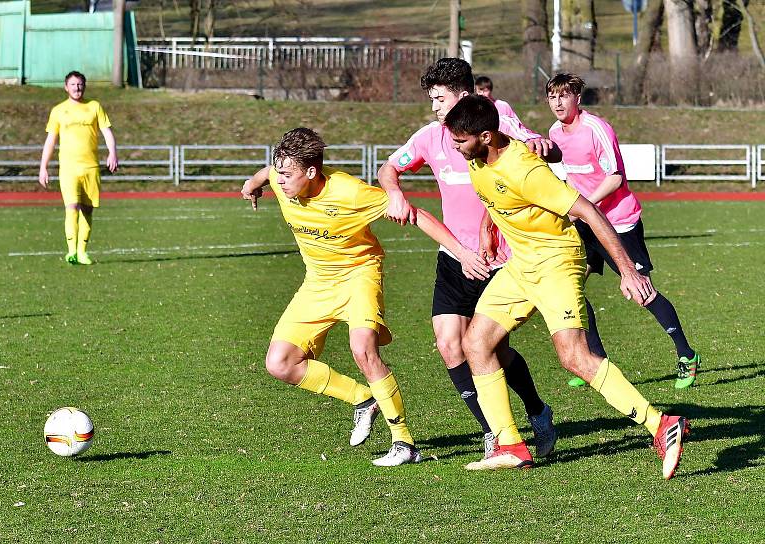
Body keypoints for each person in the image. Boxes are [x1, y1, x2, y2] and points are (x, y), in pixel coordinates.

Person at [444, 94, 689, 479]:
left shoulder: (525, 171)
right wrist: (487, 232)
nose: (455, 147)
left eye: (460, 140)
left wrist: (628, 270)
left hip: (557, 263)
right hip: (519, 266)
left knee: (575, 358)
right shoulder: (477, 160)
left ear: (487, 136)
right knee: (475, 343)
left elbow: (589, 211)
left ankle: (660, 424)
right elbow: (492, 200)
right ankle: (510, 445)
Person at [241, 127, 489, 466]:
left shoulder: (350, 193)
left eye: (286, 175)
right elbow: (265, 173)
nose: (280, 181)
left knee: (362, 350)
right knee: (279, 363)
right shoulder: (281, 177)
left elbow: (415, 215)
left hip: (359, 275)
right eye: (278, 173)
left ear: (312, 172)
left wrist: (461, 252)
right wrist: (254, 184)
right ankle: (362, 399)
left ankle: (404, 444)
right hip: (317, 283)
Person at [377, 57, 560, 460]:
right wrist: (393, 190)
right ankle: (494, 432)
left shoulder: (496, 119)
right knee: (449, 345)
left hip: (500, 260)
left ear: (465, 95)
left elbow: (531, 143)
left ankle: (537, 410)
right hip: (454, 257)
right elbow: (389, 167)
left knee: (492, 350)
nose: (434, 107)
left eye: (439, 98)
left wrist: (539, 144)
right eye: (431, 99)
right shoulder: (429, 136)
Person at [545, 73, 700, 389]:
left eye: (563, 96)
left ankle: (687, 355)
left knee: (641, 291)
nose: (557, 103)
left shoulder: (596, 130)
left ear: (577, 98)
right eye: (552, 97)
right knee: (571, 287)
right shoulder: (553, 134)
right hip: (586, 224)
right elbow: (568, 178)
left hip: (618, 222)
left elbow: (615, 178)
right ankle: (594, 361)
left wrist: (585, 205)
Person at [39, 70, 118, 266]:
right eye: (73, 84)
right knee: (71, 207)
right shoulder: (58, 110)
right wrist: (43, 167)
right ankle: (71, 251)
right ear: (66, 87)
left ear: (85, 86)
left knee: (87, 210)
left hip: (91, 167)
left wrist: (113, 153)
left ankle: (83, 252)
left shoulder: (94, 107)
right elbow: (50, 140)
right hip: (68, 168)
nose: (77, 87)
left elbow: (106, 131)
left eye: (80, 84)